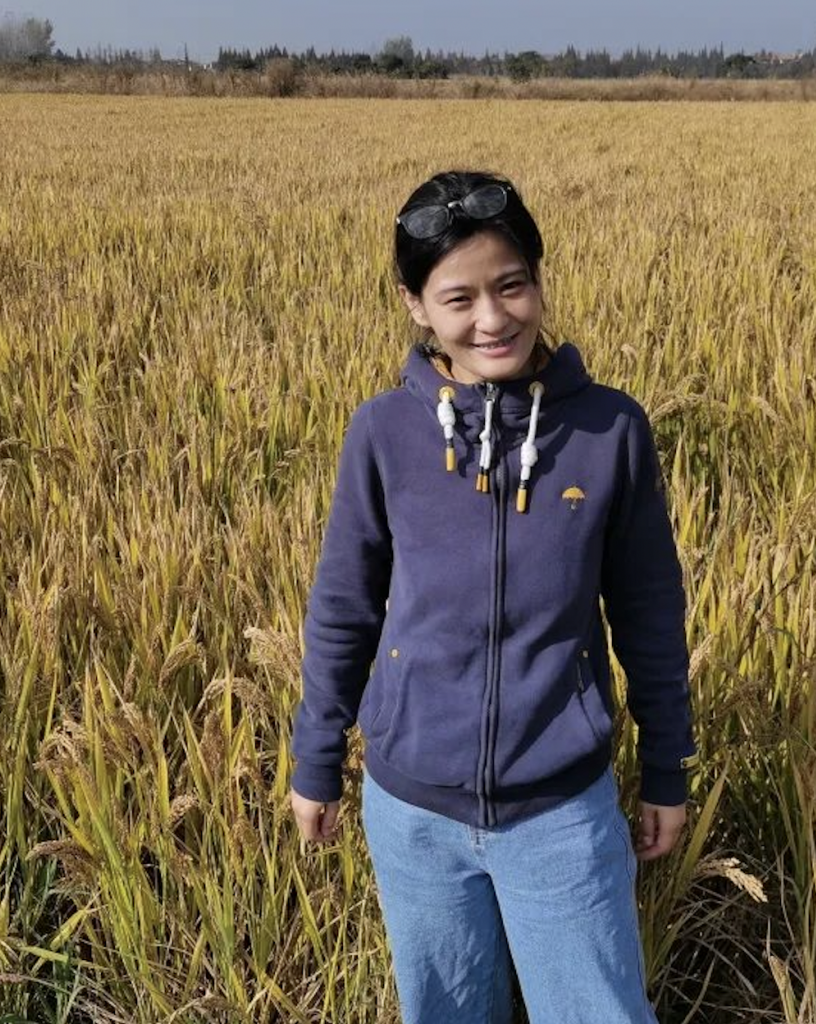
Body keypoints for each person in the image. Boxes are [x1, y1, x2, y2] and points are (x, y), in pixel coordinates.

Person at [289, 170, 698, 1024]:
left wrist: (667, 767)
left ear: (539, 280)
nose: (492, 318)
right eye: (459, 298)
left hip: (562, 814)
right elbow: (344, 608)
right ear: (415, 305)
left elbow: (650, 614)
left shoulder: (609, 430)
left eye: (512, 285)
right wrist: (316, 759)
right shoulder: (383, 434)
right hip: (413, 815)